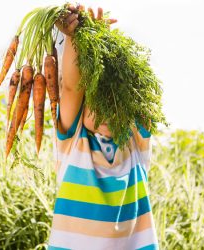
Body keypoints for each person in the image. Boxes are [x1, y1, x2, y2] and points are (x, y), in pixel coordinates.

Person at [47, 4, 159, 250]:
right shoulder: (73, 142)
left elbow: (139, 91)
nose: (107, 110)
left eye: (115, 102)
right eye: (96, 102)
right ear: (82, 105)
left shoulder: (135, 146)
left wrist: (104, 42)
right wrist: (75, 37)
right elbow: (71, 88)